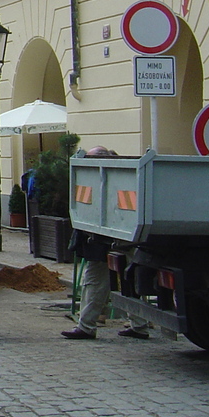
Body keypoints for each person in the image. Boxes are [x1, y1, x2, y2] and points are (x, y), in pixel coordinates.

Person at [61, 146, 151, 341]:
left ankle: (86, 326)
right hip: (121, 238)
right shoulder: (122, 177)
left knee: (94, 282)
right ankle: (139, 325)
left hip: (106, 240)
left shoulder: (98, 179)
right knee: (128, 281)